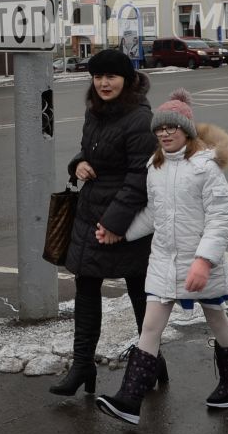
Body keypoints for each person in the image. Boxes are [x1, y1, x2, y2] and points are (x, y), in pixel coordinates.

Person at [97, 90, 228, 425]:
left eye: (171, 128)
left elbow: (221, 218)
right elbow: (154, 214)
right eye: (159, 129)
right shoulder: (156, 167)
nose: (164, 134)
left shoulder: (205, 168)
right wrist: (122, 232)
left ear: (187, 131)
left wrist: (203, 261)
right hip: (164, 261)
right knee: (150, 327)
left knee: (216, 318)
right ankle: (129, 400)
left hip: (199, 265)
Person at [49, 48, 157, 398]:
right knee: (86, 288)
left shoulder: (140, 118)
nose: (103, 83)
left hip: (124, 218)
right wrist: (77, 163)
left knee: (138, 290)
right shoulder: (94, 112)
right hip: (90, 211)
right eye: (97, 77)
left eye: (110, 76)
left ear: (126, 79)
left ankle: (151, 361)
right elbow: (89, 152)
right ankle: (82, 366)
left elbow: (141, 176)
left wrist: (115, 224)